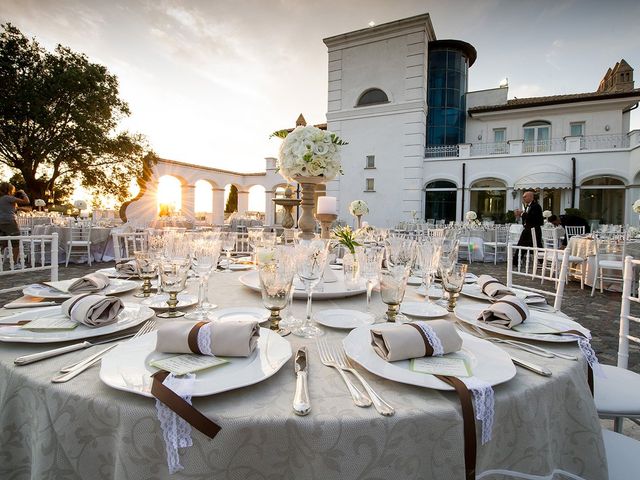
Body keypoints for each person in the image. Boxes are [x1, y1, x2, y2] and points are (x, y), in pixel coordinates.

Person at [0, 182, 30, 261]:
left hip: (2, 222)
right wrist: (23, 193)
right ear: (9, 190)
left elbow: (7, 209)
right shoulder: (8, 197)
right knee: (16, 242)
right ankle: (14, 264)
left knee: (4, 242)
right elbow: (26, 201)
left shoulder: (2, 198)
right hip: (9, 222)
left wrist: (21, 209)